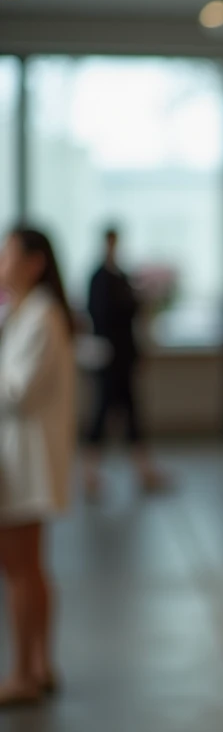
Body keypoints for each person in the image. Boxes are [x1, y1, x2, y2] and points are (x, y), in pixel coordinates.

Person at [0, 227, 75, 707]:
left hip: (24, 464)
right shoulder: (24, 312)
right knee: (29, 569)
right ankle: (40, 664)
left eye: (6, 254)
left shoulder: (42, 316)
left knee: (21, 571)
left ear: (33, 263)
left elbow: (17, 390)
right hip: (20, 460)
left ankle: (25, 673)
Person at [82, 226, 164, 495]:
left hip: (125, 355)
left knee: (131, 411)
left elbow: (133, 315)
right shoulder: (99, 277)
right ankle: (91, 474)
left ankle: (142, 469)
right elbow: (101, 314)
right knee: (103, 410)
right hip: (108, 357)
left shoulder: (122, 275)